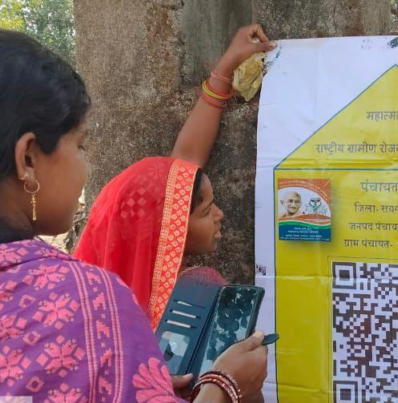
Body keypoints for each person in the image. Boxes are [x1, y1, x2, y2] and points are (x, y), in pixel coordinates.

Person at [0, 28, 267, 403]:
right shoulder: (82, 305)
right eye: (79, 145)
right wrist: (223, 387)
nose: (84, 167)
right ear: (28, 159)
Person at [74, 24, 273, 337]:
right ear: (166, 229)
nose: (220, 214)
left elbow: (185, 163)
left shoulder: (111, 304)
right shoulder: (177, 306)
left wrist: (224, 69)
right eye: (206, 210)